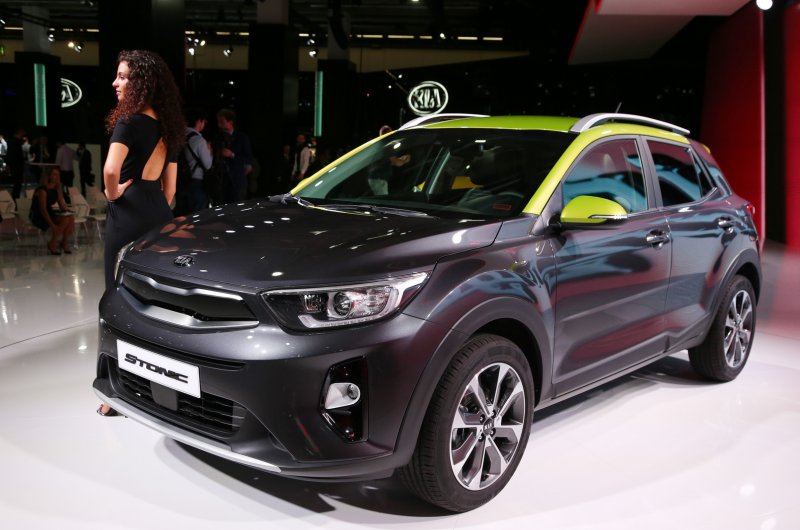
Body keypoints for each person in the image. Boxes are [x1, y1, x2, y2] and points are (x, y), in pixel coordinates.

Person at [97, 49, 184, 417]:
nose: (115, 83)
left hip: (128, 212)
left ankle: (113, 392)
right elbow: (171, 190)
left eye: (122, 76)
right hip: (159, 215)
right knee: (158, 306)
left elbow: (110, 171)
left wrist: (113, 194)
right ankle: (163, 387)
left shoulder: (128, 122)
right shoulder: (170, 128)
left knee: (116, 301)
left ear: (141, 83)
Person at [174, 107, 212, 215]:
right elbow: (208, 165)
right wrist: (210, 152)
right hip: (196, 185)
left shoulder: (178, 137)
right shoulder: (199, 140)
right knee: (196, 218)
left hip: (179, 182)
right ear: (199, 121)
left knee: (181, 216)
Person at [30, 166, 75, 255]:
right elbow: (42, 209)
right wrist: (52, 225)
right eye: (54, 174)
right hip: (39, 215)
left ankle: (64, 242)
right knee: (65, 220)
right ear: (49, 176)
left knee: (70, 218)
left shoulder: (56, 189)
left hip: (50, 212)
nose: (57, 177)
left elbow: (62, 205)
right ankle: (52, 243)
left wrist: (68, 211)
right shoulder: (42, 190)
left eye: (58, 175)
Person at [213, 108, 253, 202]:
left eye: (222, 122)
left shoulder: (242, 137)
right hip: (221, 183)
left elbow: (248, 159)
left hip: (237, 183)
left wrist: (232, 155)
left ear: (230, 122)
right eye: (218, 122)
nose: (219, 125)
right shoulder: (217, 138)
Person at [6, 128, 27, 199]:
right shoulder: (15, 142)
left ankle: (15, 199)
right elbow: (13, 155)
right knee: (17, 186)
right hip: (16, 167)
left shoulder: (12, 142)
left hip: (15, 167)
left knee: (17, 186)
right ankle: (15, 200)